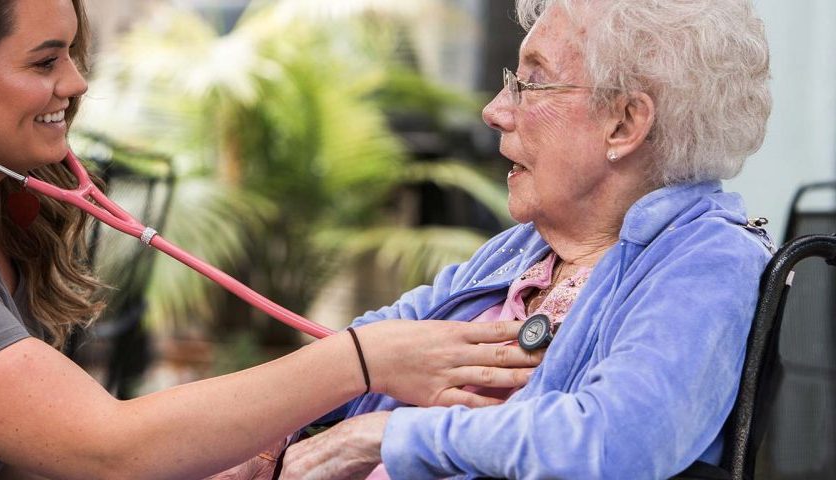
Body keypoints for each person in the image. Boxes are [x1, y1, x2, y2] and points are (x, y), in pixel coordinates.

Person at [0, 1, 546, 478]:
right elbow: (108, 448)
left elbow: (10, 455)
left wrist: (207, 460)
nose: (76, 83)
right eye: (45, 60)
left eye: (73, 52)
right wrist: (364, 359)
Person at [254, 0, 776, 478]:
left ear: (623, 123)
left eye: (531, 83)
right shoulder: (528, 249)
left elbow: (614, 442)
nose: (495, 111)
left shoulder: (706, 259)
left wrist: (389, 435)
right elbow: (367, 346)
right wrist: (261, 438)